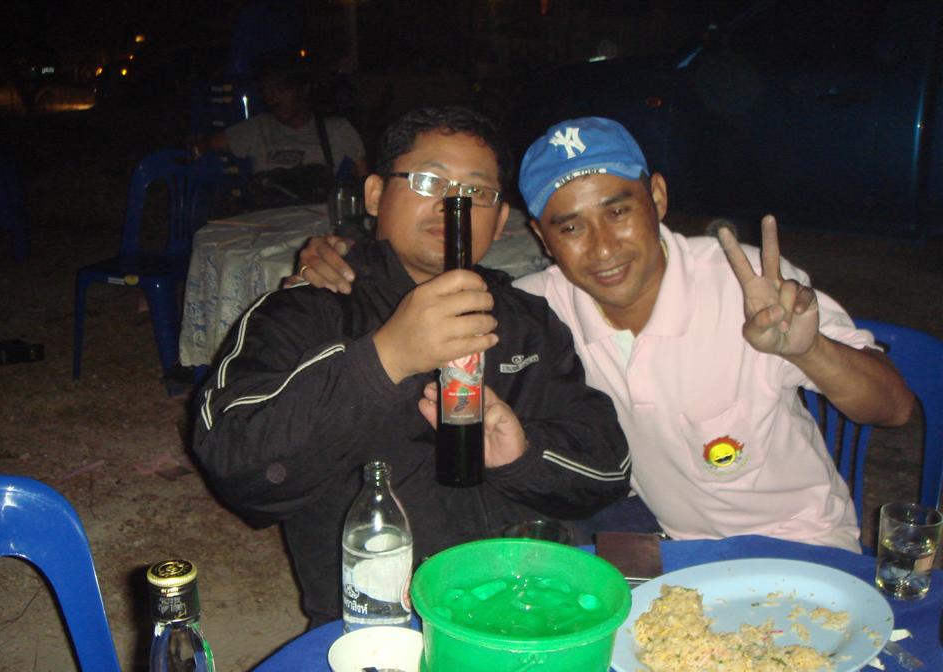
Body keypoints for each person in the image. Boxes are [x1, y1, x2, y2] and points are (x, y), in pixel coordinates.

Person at [294, 116, 914, 553]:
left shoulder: (746, 284)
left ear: (658, 198)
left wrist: (811, 349)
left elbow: (894, 409)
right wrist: (343, 258)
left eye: (618, 211)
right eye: (571, 227)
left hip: (802, 545)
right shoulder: (538, 307)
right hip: (664, 546)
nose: (603, 248)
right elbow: (422, 289)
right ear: (542, 239)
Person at [191, 107, 631, 626]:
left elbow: (609, 471)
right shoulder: (307, 310)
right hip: (379, 620)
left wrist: (522, 455)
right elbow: (238, 469)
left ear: (499, 220)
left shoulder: (526, 320)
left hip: (527, 606)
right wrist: (386, 358)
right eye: (428, 181)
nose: (452, 204)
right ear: (375, 195)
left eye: (476, 191)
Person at [190, 53, 368, 179]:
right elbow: (205, 144)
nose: (274, 98)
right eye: (267, 91)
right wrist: (197, 148)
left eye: (281, 89)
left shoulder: (337, 130)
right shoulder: (257, 128)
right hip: (267, 215)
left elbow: (366, 183)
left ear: (304, 90)